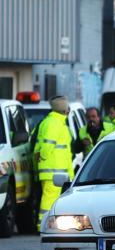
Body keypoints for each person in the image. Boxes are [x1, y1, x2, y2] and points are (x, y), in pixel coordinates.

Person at [34, 95, 75, 231]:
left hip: (57, 172)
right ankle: (43, 225)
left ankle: (48, 225)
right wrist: (43, 156)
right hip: (52, 171)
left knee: (53, 200)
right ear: (64, 109)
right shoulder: (54, 123)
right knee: (49, 200)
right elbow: (47, 146)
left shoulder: (57, 122)